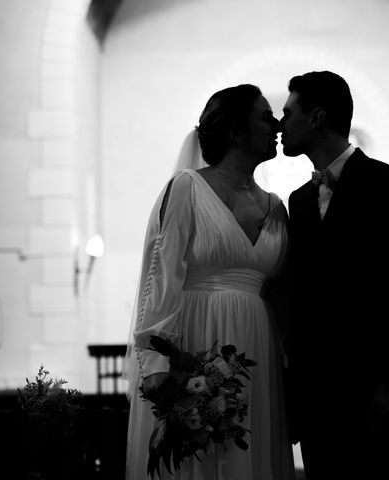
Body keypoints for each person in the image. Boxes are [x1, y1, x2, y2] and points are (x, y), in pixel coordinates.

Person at [123, 84, 295, 480]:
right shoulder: (187, 187)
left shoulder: (276, 206)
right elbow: (160, 275)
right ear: (236, 132)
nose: (277, 124)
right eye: (266, 116)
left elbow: (279, 291)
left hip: (258, 347)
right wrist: (156, 363)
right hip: (197, 341)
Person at [280, 71, 389, 479]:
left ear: (317, 117)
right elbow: (302, 301)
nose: (280, 123)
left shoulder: (388, 184)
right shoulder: (299, 201)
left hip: (371, 394)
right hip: (317, 401)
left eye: (288, 113)